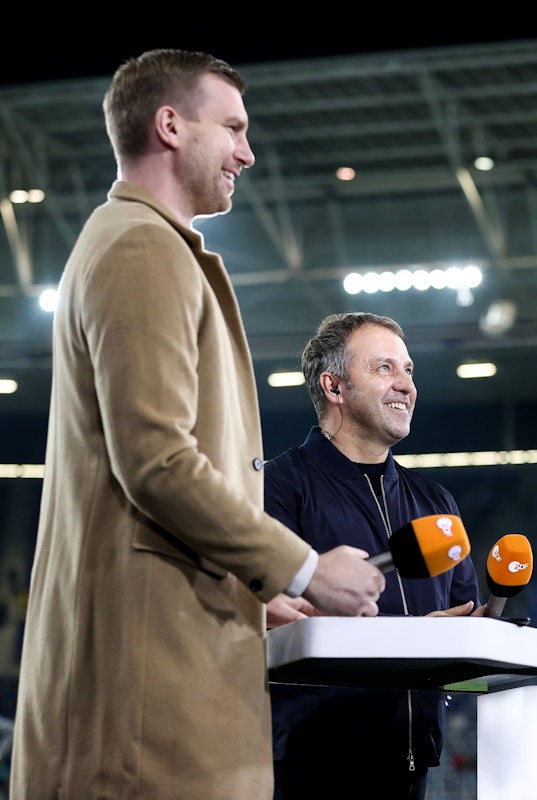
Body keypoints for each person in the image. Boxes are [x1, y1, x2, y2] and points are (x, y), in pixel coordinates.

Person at [10, 50, 386, 800]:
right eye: (234, 128)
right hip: (145, 701)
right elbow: (155, 461)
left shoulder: (134, 241)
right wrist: (304, 567)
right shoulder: (141, 246)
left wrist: (254, 590)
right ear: (171, 125)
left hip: (153, 669)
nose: (247, 152)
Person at [264, 311, 483, 800]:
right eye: (385, 368)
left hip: (412, 767)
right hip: (309, 770)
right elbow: (262, 622)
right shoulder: (276, 489)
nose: (406, 384)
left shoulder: (436, 504)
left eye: (409, 370)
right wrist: (409, 636)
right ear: (334, 387)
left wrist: (482, 627)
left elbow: (462, 619)